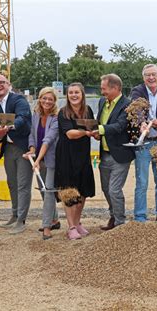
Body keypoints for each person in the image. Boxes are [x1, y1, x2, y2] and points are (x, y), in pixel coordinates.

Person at [0, 74, 32, 234]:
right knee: (12, 184)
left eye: (1, 82)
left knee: (23, 185)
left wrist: (9, 127)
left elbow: (22, 118)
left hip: (22, 147)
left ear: (9, 84)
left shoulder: (18, 100)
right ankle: (15, 215)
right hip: (8, 148)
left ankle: (21, 220)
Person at [54, 83, 96, 240]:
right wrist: (87, 132)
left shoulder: (87, 111)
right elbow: (70, 134)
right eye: (70, 92)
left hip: (83, 155)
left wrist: (96, 133)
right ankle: (71, 226)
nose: (74, 95)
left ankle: (78, 223)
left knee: (83, 190)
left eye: (76, 92)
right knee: (70, 192)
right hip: (67, 156)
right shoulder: (63, 112)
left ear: (82, 94)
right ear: (67, 95)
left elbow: (93, 127)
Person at [130, 64, 157, 222]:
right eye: (148, 75)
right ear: (143, 77)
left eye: (154, 74)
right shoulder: (138, 91)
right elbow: (136, 108)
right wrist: (142, 122)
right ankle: (140, 217)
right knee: (142, 182)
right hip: (144, 144)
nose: (151, 78)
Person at [96, 74, 135, 231]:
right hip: (104, 153)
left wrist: (98, 129)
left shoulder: (128, 105)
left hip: (120, 155)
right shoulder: (101, 102)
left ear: (116, 88)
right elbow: (100, 122)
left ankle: (120, 224)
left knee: (114, 190)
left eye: (104, 88)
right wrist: (97, 131)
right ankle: (113, 216)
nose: (102, 91)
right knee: (106, 189)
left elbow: (119, 126)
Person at [24, 87, 60, 240]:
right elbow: (32, 134)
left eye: (50, 99)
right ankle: (55, 219)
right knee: (43, 190)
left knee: (49, 190)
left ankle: (46, 227)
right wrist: (32, 149)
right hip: (38, 157)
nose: (47, 101)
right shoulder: (36, 114)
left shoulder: (57, 118)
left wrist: (38, 159)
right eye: (44, 98)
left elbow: (49, 139)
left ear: (54, 101)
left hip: (51, 159)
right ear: (39, 98)